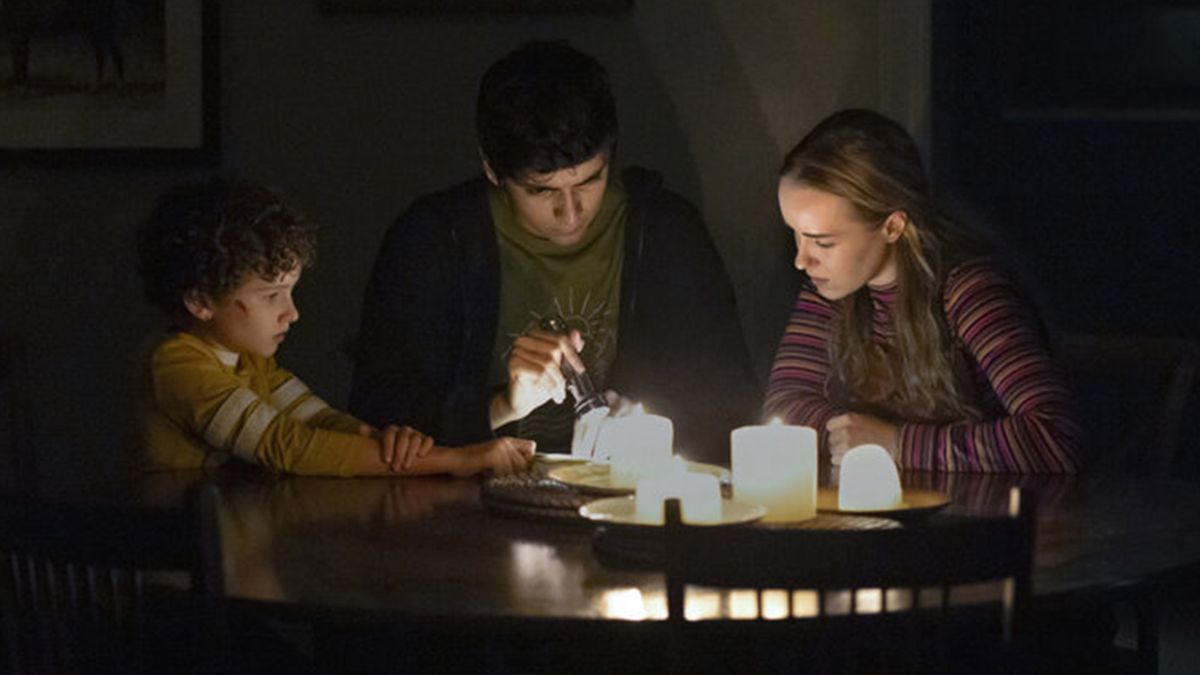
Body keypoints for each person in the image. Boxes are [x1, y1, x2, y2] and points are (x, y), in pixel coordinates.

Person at [349, 40, 757, 463]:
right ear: (492, 169)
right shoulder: (435, 239)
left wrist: (649, 428)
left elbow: (730, 402)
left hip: (630, 502)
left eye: (588, 182)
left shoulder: (665, 232)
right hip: (465, 505)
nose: (570, 213)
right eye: (540, 190)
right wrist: (503, 405)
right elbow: (378, 410)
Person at [135, 179, 534, 477]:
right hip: (190, 573)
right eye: (271, 296)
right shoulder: (176, 365)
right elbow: (289, 446)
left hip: (236, 550)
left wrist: (389, 442)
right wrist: (455, 459)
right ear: (200, 301)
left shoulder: (252, 363)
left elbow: (319, 420)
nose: (291, 313)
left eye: (290, 293)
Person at [764, 109, 1082, 472]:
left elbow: (1054, 437)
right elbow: (784, 407)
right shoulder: (830, 289)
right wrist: (859, 436)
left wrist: (897, 443)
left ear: (893, 226)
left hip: (980, 519)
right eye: (796, 234)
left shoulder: (967, 292)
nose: (802, 261)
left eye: (823, 242)